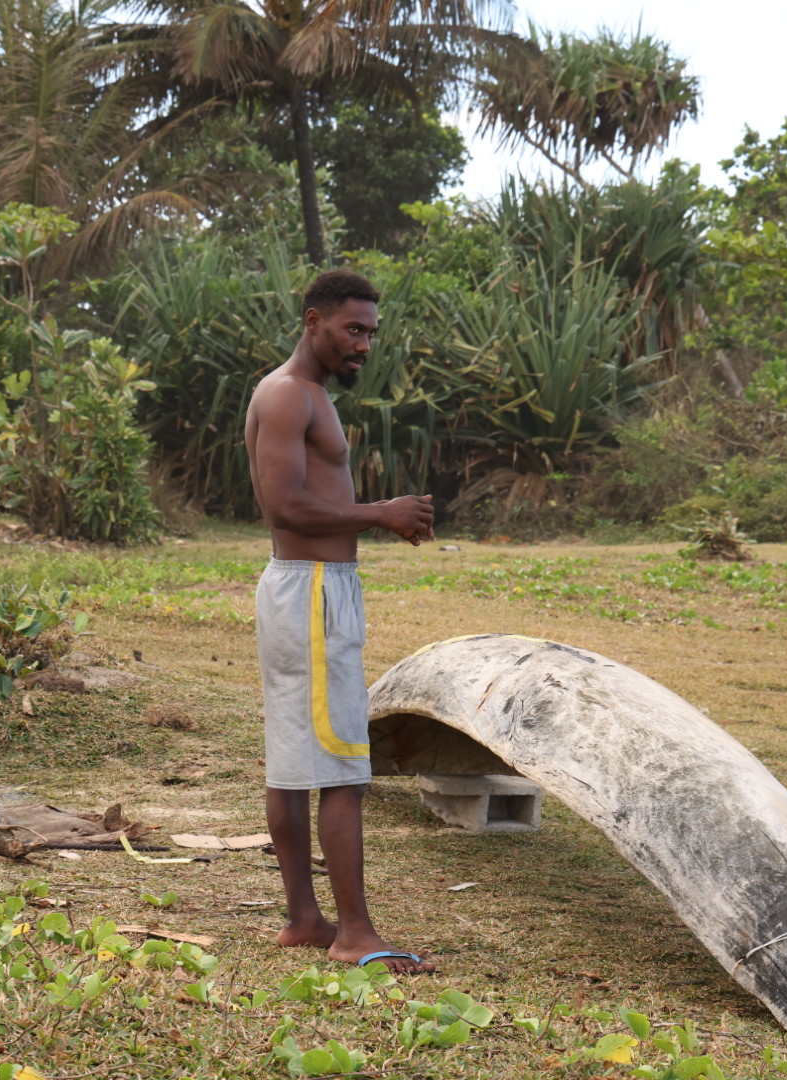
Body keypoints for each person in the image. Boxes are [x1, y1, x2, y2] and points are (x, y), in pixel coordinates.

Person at [243, 268, 438, 975]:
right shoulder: (288, 395)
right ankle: (355, 933)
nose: (363, 345)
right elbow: (285, 506)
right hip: (313, 592)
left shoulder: (307, 396)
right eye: (352, 330)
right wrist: (379, 514)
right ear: (312, 320)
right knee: (341, 772)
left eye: (370, 334)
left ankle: (304, 919)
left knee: (298, 762)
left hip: (313, 590)